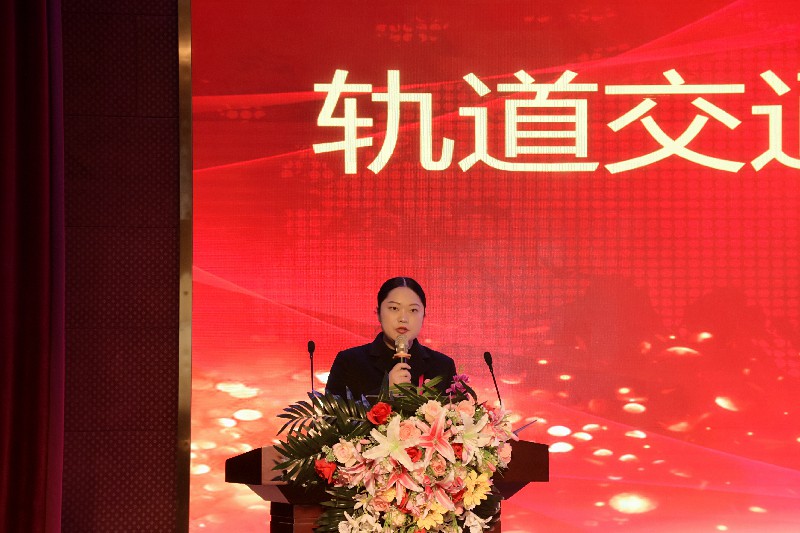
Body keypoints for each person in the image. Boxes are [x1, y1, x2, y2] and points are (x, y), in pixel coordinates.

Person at [325, 277, 456, 399]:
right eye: (394, 308)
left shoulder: (443, 366)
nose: (403, 318)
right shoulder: (349, 362)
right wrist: (385, 392)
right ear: (378, 313)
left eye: (413, 310)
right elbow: (332, 414)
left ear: (424, 316)